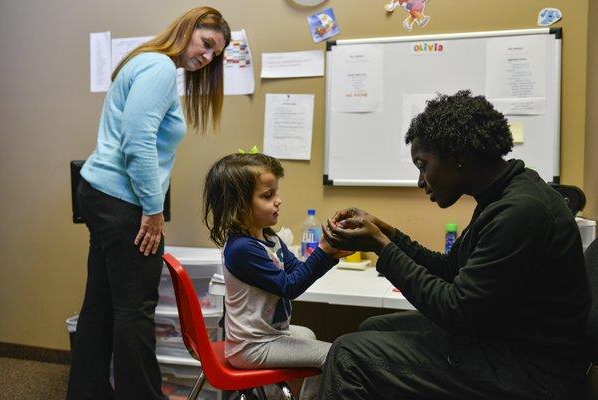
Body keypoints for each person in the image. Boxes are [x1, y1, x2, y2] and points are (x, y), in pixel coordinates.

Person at [320, 90, 590, 400]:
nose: (421, 181)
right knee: (373, 328)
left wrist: (382, 247)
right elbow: (451, 270)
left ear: (459, 157)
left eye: (423, 165)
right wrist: (388, 234)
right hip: (503, 343)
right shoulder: (504, 194)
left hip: (533, 373)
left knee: (348, 355)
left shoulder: (521, 211)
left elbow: (456, 310)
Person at [67, 7, 230, 400]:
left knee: (101, 306)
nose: (207, 57)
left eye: (215, 55)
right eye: (206, 44)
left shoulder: (145, 61)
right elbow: (137, 142)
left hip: (99, 192)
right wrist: (154, 210)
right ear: (189, 29)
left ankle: (86, 393)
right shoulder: (158, 67)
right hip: (123, 200)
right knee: (135, 311)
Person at [202, 153, 350, 400]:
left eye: (275, 193)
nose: (278, 201)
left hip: (268, 336)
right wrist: (324, 253)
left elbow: (296, 270)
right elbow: (290, 286)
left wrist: (331, 252)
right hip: (251, 347)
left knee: (307, 335)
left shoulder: (268, 238)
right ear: (238, 206)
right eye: (267, 196)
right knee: (333, 355)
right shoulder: (242, 249)